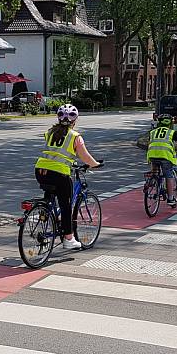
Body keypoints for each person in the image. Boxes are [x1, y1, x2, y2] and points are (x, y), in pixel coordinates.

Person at [34, 104, 102, 250]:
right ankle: (68, 239)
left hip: (40, 170)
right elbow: (85, 157)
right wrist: (95, 164)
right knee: (66, 206)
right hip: (59, 174)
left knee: (51, 195)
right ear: (75, 120)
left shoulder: (50, 132)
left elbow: (55, 151)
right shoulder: (75, 136)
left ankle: (46, 214)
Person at [147, 114, 177, 207]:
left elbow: (150, 143)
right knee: (168, 176)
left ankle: (152, 181)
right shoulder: (172, 132)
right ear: (170, 123)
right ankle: (170, 198)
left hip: (152, 155)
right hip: (165, 156)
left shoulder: (152, 132)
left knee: (155, 171)